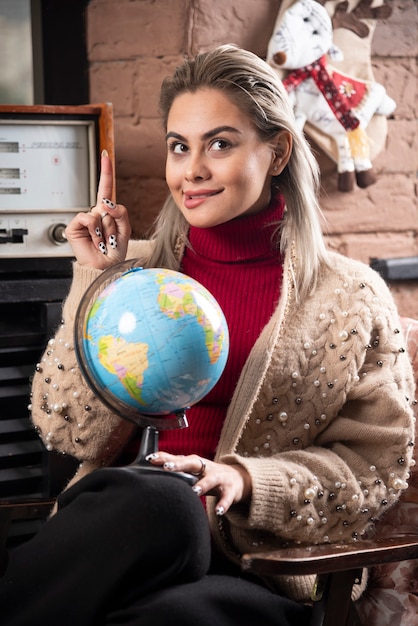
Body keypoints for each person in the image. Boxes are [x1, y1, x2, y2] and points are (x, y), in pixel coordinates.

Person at [0, 45, 415, 626]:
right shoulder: (131, 270)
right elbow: (66, 430)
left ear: (276, 152)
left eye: (219, 143)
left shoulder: (351, 296)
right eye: (179, 146)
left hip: (261, 569)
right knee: (160, 504)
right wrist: (100, 284)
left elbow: (377, 466)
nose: (191, 170)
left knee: (170, 580)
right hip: (126, 544)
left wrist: (245, 479)